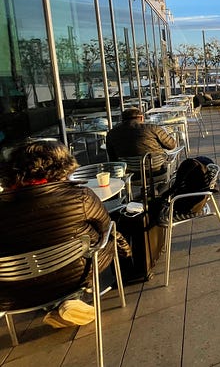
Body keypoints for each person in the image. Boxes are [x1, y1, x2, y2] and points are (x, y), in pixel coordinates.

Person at [0, 140, 116, 328]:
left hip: (15, 292)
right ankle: (69, 300)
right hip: (75, 275)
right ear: (61, 166)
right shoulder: (81, 196)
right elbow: (105, 227)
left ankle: (58, 306)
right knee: (96, 241)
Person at [106, 108, 176, 172]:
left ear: (122, 120)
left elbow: (112, 158)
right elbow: (171, 145)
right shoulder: (153, 128)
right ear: (142, 118)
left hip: (130, 173)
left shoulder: (111, 134)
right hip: (157, 169)